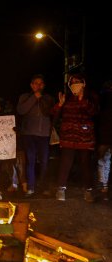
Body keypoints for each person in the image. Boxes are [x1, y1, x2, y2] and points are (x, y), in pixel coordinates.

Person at [52, 73, 98, 201]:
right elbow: (55, 116)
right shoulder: (66, 98)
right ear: (69, 85)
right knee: (65, 163)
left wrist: (82, 100)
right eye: (73, 82)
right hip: (68, 137)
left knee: (85, 164)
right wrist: (59, 105)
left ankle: (88, 190)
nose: (75, 84)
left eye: (78, 81)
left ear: (84, 83)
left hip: (85, 137)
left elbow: (93, 112)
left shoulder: (91, 97)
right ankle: (61, 189)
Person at [17, 74, 55, 197]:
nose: (38, 86)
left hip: (44, 135)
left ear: (43, 85)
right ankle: (31, 188)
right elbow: (21, 110)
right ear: (31, 85)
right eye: (35, 83)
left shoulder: (48, 98)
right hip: (28, 134)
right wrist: (34, 98)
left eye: (40, 83)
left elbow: (48, 112)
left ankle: (43, 187)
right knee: (30, 161)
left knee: (44, 161)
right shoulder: (25, 97)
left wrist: (40, 98)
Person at [95, 80, 112, 200]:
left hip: (104, 136)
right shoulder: (104, 100)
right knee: (104, 161)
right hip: (105, 135)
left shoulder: (102, 99)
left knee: (104, 161)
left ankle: (104, 187)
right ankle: (104, 187)